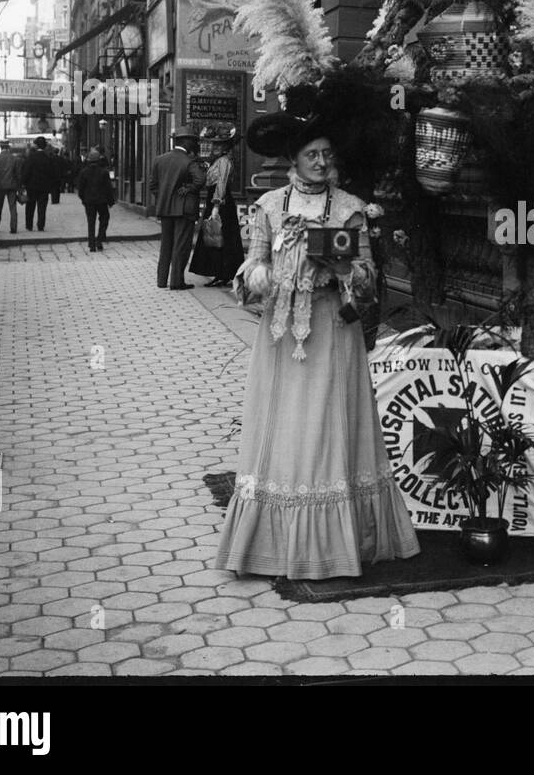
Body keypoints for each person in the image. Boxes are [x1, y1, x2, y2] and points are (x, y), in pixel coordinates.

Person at [214, 114, 419, 579]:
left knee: (328, 423)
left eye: (327, 154)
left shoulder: (349, 208)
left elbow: (368, 284)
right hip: (281, 334)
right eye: (312, 155)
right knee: (283, 422)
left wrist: (344, 270)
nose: (322, 162)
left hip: (332, 327)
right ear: (294, 160)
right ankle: (272, 541)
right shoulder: (268, 205)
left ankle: (337, 544)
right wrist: (266, 276)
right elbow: (251, 269)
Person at [148, 129, 206, 290]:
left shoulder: (159, 160)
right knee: (181, 245)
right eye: (193, 141)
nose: (195, 144)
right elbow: (201, 179)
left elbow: (153, 186)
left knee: (165, 245)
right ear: (186, 142)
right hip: (184, 210)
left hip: (165, 209)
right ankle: (176, 282)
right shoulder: (189, 161)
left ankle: (161, 281)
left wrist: (165, 197)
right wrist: (189, 188)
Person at [189, 128, 245, 287]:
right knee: (215, 238)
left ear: (226, 147)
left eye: (219, 146)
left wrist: (216, 206)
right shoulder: (218, 161)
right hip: (216, 201)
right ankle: (220, 273)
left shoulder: (224, 162)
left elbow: (221, 183)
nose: (215, 148)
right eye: (214, 145)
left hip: (221, 204)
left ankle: (223, 273)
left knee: (221, 238)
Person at [75, 147, 115, 252]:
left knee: (91, 222)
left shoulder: (84, 172)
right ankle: (99, 240)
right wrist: (111, 201)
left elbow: (80, 189)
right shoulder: (104, 172)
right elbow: (108, 188)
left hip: (89, 201)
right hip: (102, 201)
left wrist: (83, 199)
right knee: (104, 219)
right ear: (98, 160)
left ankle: (92, 244)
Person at [20, 136, 60, 232]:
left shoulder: (31, 158)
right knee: (42, 207)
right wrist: (51, 185)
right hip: (44, 187)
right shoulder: (48, 158)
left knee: (30, 206)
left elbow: (26, 172)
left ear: (36, 145)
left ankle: (29, 225)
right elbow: (53, 173)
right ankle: (40, 225)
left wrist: (23, 183)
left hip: (31, 186)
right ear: (45, 146)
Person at [0, 139, 22, 233]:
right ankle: (13, 227)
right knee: (13, 207)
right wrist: (20, 186)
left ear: (0, 147)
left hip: (0, 186)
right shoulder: (14, 158)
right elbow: (18, 174)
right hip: (12, 186)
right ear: (8, 147)